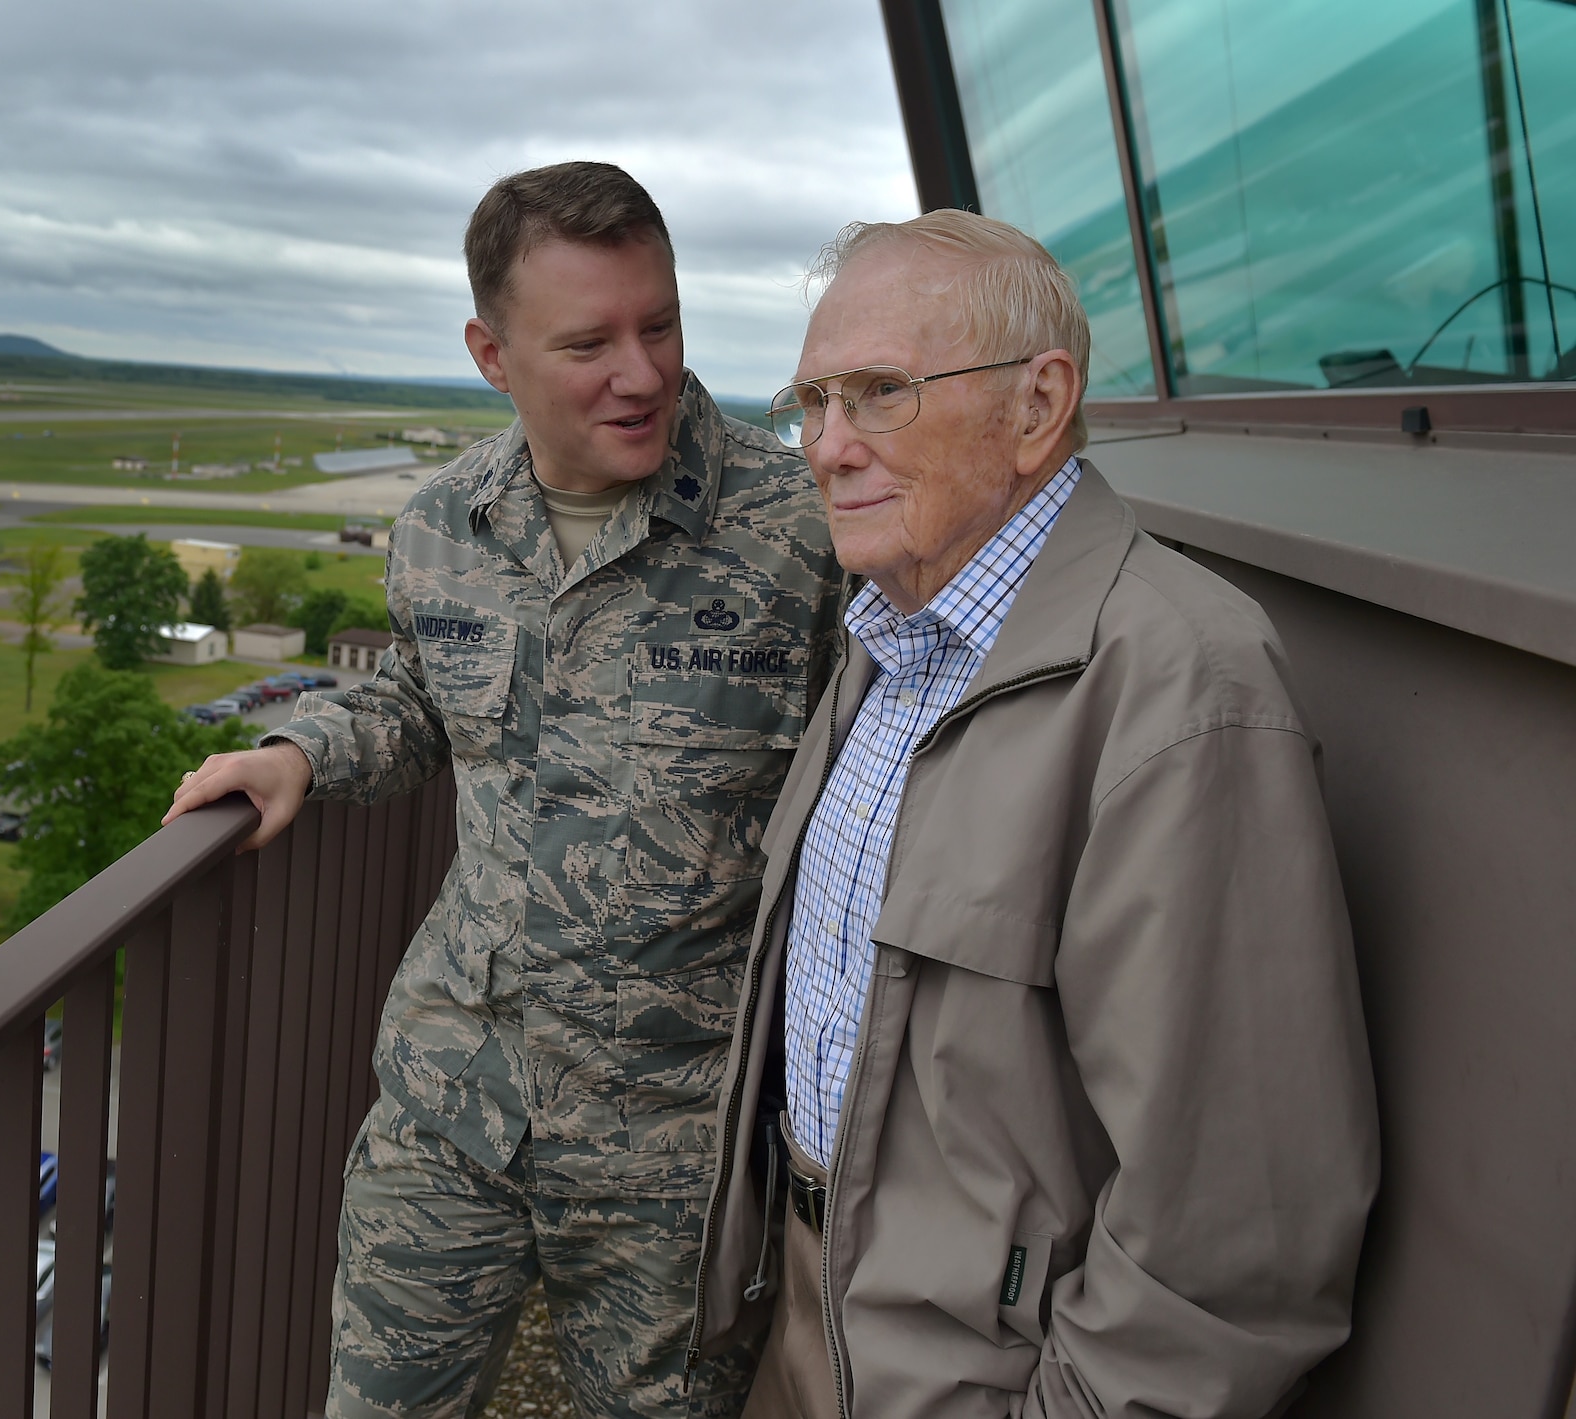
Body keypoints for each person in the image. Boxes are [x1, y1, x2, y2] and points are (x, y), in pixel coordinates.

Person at [166, 161, 842, 1417]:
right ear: (491, 352)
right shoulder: (441, 525)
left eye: (660, 325)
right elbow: (420, 701)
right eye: (587, 342)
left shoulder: (800, 530)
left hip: (674, 1151)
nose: (639, 373)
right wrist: (300, 752)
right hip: (451, 1106)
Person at [689, 211, 1379, 1419]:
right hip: (803, 1317)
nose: (826, 447)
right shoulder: (890, 636)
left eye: (878, 393)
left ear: (1035, 405)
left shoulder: (1178, 686)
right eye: (811, 401)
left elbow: (1232, 1237)